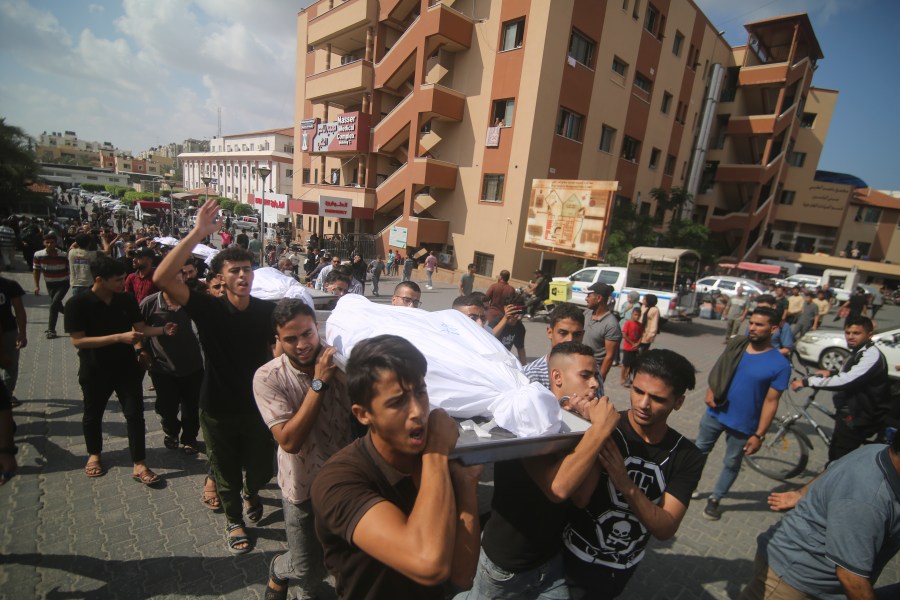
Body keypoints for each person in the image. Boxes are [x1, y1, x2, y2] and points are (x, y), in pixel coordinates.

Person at [311, 335, 482, 599]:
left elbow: (462, 575)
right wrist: (436, 452)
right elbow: (429, 564)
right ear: (363, 414)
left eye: (421, 392)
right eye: (397, 401)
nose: (417, 411)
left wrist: (466, 485)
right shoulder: (339, 481)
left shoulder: (435, 466)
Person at [153, 199, 276, 555]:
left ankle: (253, 492)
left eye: (248, 269)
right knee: (224, 471)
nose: (243, 275)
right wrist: (198, 233)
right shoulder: (206, 308)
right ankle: (234, 520)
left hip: (257, 408)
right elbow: (161, 278)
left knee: (258, 471)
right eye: (235, 270)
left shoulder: (267, 311)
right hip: (217, 408)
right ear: (220, 277)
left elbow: (286, 342)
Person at [469, 342, 619, 599]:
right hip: (506, 564)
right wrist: (600, 430)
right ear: (557, 377)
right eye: (585, 375)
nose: (594, 383)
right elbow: (557, 488)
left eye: (595, 375)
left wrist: (591, 430)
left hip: (550, 560)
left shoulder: (581, 426)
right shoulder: (528, 418)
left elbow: (581, 497)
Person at [563, 349, 704, 599]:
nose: (643, 404)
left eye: (657, 398)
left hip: (620, 569)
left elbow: (665, 527)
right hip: (571, 557)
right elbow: (579, 499)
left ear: (679, 402)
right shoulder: (607, 428)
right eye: (638, 391)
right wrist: (595, 434)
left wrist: (625, 483)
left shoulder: (686, 455)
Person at [254, 299, 356, 600]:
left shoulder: (341, 361)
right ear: (278, 339)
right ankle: (278, 569)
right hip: (302, 485)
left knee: (342, 556)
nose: (302, 344)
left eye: (307, 334)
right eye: (291, 338)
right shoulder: (268, 377)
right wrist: (319, 383)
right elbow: (288, 440)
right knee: (304, 568)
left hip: (343, 480)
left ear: (317, 328)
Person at [742, 436, 900, 600]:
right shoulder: (867, 501)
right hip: (790, 583)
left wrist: (801, 493)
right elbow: (851, 578)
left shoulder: (877, 450)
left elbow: (833, 467)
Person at [63, 255, 173, 485]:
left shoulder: (126, 300)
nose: (123, 283)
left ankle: (139, 462)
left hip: (126, 369)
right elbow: (78, 341)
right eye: (117, 279)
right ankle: (94, 454)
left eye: (124, 278)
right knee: (93, 414)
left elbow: (141, 329)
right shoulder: (77, 304)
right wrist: (118, 337)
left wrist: (163, 330)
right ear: (100, 280)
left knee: (134, 415)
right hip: (95, 369)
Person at [694, 307, 791, 520]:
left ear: (773, 329)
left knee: (731, 462)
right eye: (752, 323)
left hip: (744, 423)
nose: (752, 328)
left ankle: (716, 498)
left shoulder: (780, 364)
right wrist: (711, 389)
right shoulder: (737, 345)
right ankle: (686, 484)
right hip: (715, 412)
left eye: (759, 324)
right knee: (698, 451)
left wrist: (759, 435)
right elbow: (720, 369)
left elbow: (771, 401)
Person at [790, 316, 890, 462]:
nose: (850, 336)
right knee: (837, 451)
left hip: (859, 416)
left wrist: (807, 382)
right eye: (848, 332)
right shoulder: (859, 350)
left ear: (869, 335)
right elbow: (850, 373)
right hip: (850, 412)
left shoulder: (870, 355)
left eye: (856, 333)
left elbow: (847, 380)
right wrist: (830, 373)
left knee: (837, 460)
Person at [139, 270, 204, 455]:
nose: (176, 284)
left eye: (179, 279)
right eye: (171, 280)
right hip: (162, 368)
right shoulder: (149, 303)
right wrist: (142, 350)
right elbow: (138, 329)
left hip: (194, 366)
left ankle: (189, 438)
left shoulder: (194, 302)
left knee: (192, 407)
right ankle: (171, 432)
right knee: (167, 408)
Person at [523, 303, 586, 390]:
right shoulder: (531, 376)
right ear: (550, 332)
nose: (570, 340)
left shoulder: (590, 371)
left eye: (577, 334)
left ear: (582, 335)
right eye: (563, 333)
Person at [32, 233, 70, 339]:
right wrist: (36, 286)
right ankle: (74, 315)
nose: (49, 245)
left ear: (56, 243)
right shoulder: (38, 255)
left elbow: (69, 268)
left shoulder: (63, 255)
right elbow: (36, 270)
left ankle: (51, 330)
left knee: (53, 305)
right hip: (50, 284)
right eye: (47, 242)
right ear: (43, 243)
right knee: (57, 305)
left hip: (63, 283)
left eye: (52, 242)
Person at [582, 282, 622, 382]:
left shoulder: (611, 325)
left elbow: (609, 356)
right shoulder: (587, 313)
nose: (586, 299)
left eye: (588, 296)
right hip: (578, 365)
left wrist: (600, 379)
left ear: (599, 298)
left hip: (592, 372)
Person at [0, 265, 27, 407]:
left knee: (10, 366)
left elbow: (19, 310)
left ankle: (6, 397)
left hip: (9, 332)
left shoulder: (10, 285)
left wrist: (22, 334)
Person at [489, 294, 527, 365]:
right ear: (505, 308)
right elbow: (490, 337)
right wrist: (506, 318)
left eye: (518, 311)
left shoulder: (519, 327)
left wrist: (525, 367)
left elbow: (520, 348)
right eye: (513, 310)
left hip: (504, 361)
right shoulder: (496, 322)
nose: (516, 314)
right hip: (490, 358)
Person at [620, 307, 643, 387]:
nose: (637, 317)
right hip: (628, 347)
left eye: (639, 315)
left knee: (631, 364)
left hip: (635, 348)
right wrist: (632, 343)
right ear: (632, 314)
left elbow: (641, 336)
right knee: (625, 364)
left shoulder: (640, 325)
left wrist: (638, 343)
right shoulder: (628, 323)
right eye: (635, 315)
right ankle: (622, 378)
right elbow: (624, 335)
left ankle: (627, 377)